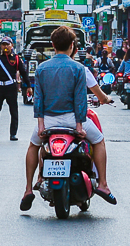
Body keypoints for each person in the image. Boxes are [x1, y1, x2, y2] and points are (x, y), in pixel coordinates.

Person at [21, 25, 114, 210]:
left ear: (53, 45)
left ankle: (28, 189)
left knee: (33, 146)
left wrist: (41, 125)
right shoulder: (78, 68)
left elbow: (38, 99)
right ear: (72, 45)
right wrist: (79, 125)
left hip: (48, 121)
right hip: (73, 119)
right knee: (99, 141)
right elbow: (80, 99)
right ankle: (103, 184)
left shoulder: (42, 68)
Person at [0, 37, 28, 141]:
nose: (6, 46)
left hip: (11, 87)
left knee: (14, 112)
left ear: (12, 45)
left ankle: (13, 134)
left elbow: (23, 72)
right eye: (4, 44)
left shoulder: (16, 58)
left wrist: (29, 86)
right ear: (1, 46)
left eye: (8, 44)